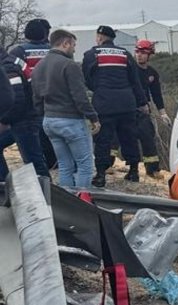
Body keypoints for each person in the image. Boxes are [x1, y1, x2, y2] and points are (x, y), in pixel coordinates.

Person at [31, 30, 99, 187]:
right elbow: (80, 97)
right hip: (71, 121)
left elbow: (36, 97)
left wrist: (44, 114)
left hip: (49, 121)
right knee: (85, 166)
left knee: (64, 165)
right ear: (65, 43)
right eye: (73, 45)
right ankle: (82, 199)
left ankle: (67, 199)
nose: (74, 50)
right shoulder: (69, 65)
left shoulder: (39, 66)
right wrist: (93, 117)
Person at [82, 26, 148, 186]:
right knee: (129, 137)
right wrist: (142, 102)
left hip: (104, 104)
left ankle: (100, 175)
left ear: (99, 37)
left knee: (103, 140)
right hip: (127, 104)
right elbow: (135, 81)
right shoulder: (125, 54)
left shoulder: (92, 54)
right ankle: (133, 171)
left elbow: (87, 79)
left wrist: (100, 89)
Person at [0, 50, 50, 179]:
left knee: (34, 162)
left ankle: (44, 188)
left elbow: (15, 99)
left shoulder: (7, 67)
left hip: (23, 120)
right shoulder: (11, 61)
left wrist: (3, 121)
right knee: (34, 160)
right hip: (24, 117)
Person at [132, 39, 169, 177]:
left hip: (144, 111)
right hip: (128, 108)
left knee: (148, 136)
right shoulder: (130, 70)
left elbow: (156, 94)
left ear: (149, 55)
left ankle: (152, 169)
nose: (139, 55)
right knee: (122, 138)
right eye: (137, 52)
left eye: (143, 53)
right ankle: (115, 166)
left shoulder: (152, 73)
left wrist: (163, 113)